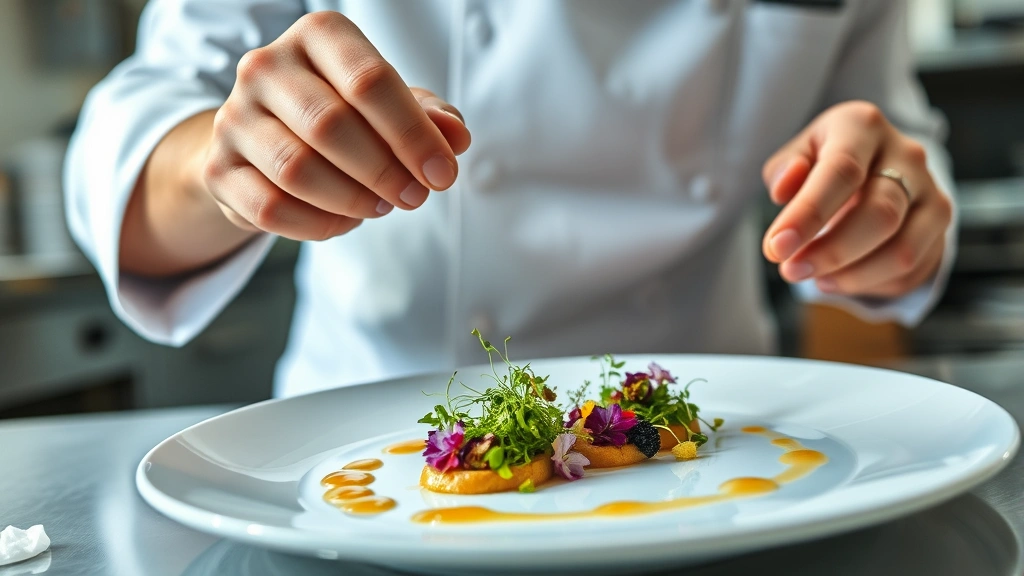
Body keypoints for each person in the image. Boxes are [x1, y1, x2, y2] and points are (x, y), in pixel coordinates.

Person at [65, 0, 955, 398]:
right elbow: (132, 149)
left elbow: (889, 137)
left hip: (716, 449)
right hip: (383, 445)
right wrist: (228, 173)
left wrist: (888, 219)